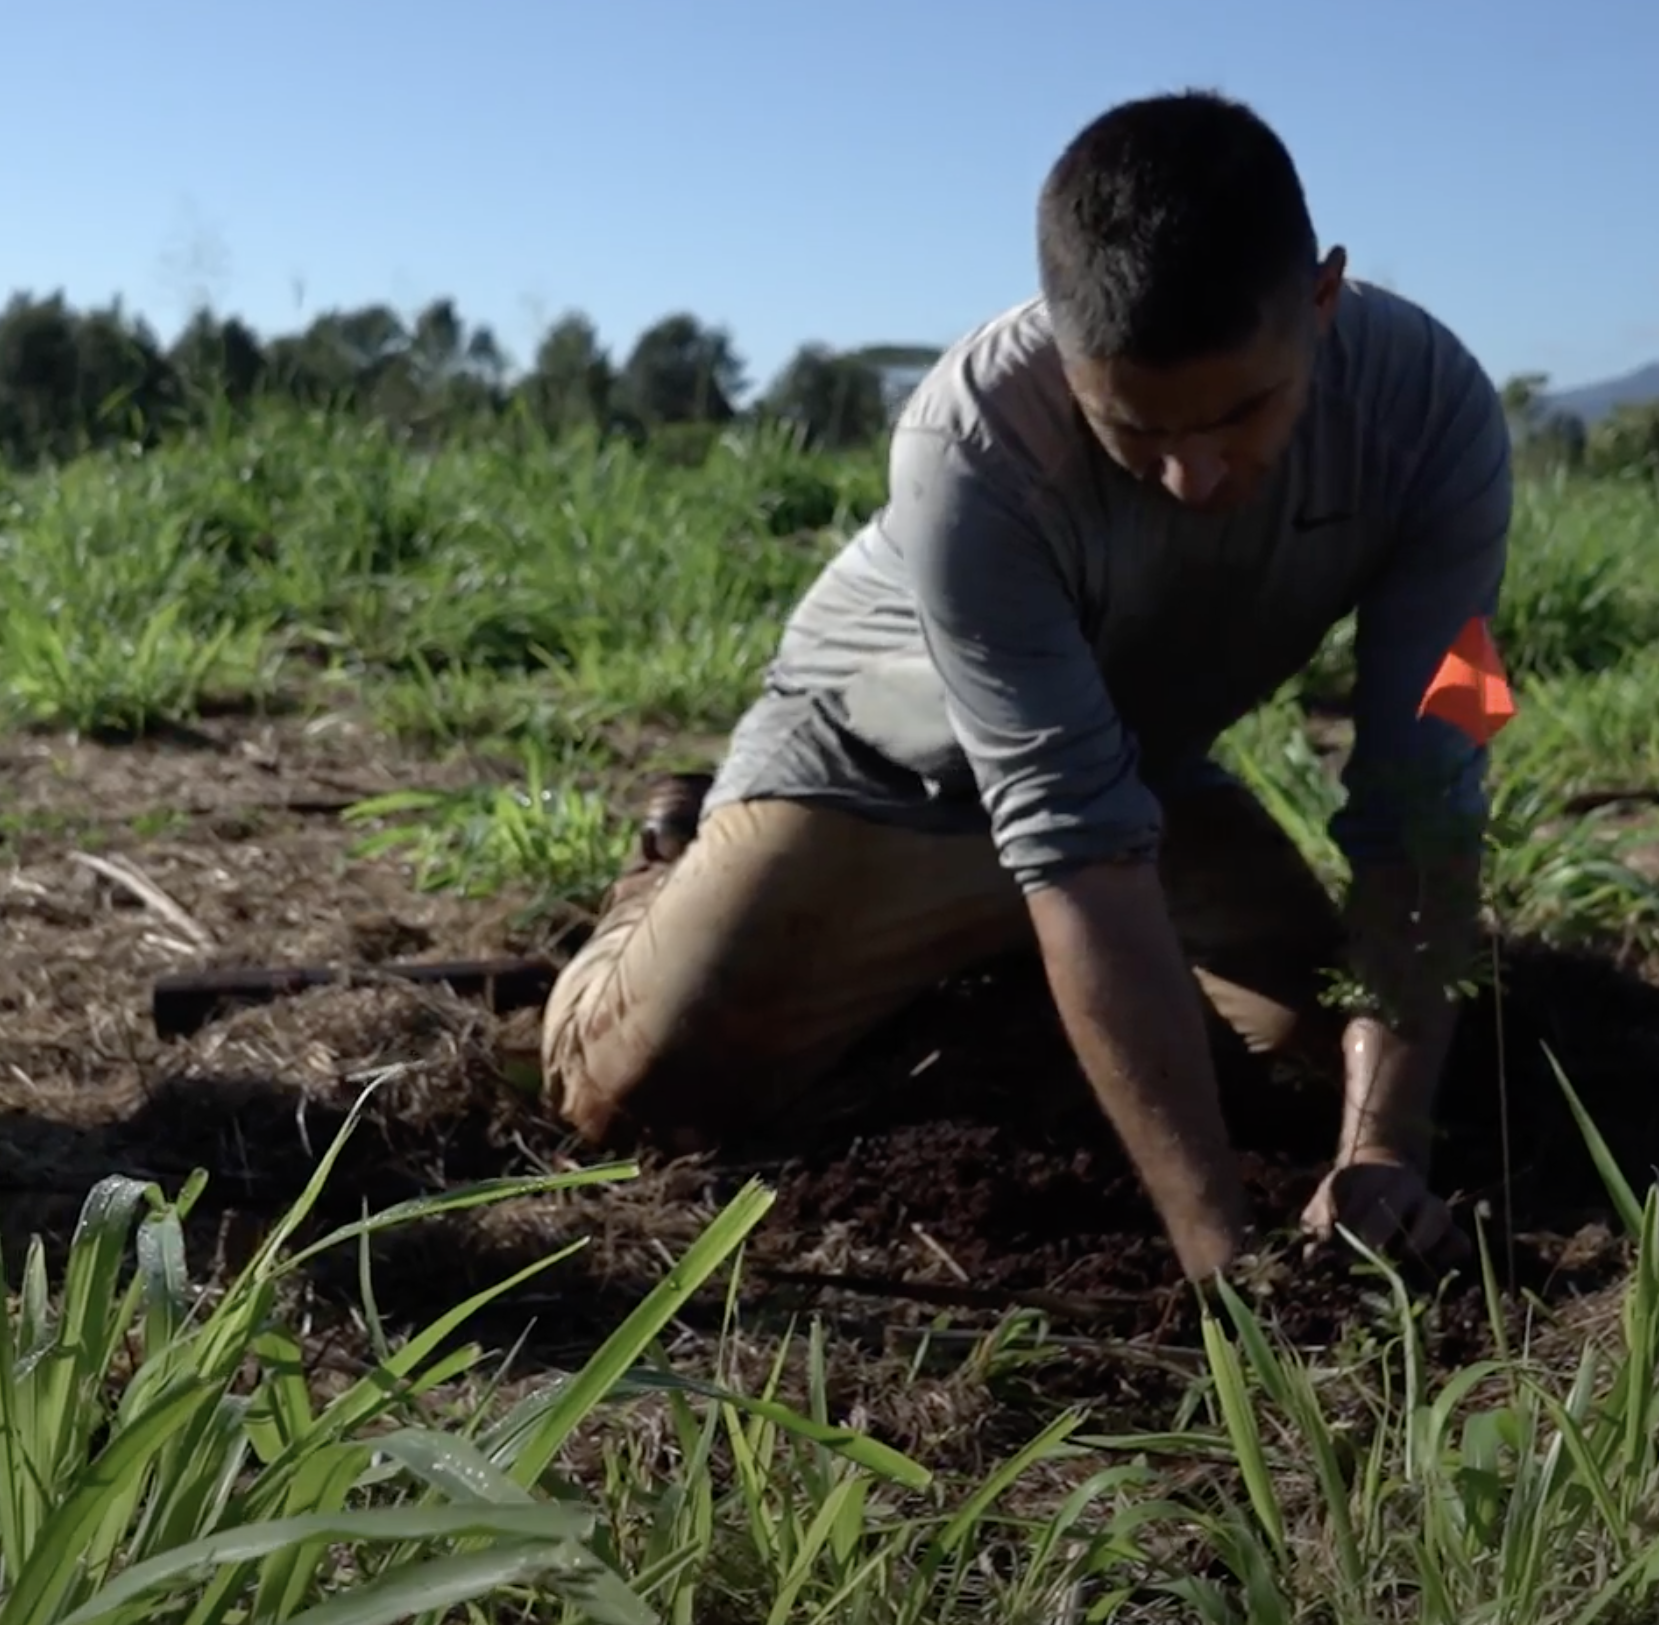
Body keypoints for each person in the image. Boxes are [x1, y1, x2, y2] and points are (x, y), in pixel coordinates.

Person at [526, 88, 1514, 1285]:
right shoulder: (970, 443)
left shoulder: (1440, 420)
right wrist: (1227, 1266)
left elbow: (1434, 779)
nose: (1194, 475)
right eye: (1134, 431)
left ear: (1321, 301)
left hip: (1136, 770)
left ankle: (1015, 991)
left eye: (1244, 413)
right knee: (632, 1106)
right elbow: (1079, 856)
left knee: (1325, 1067)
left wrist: (1382, 1152)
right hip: (883, 769)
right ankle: (667, 873)